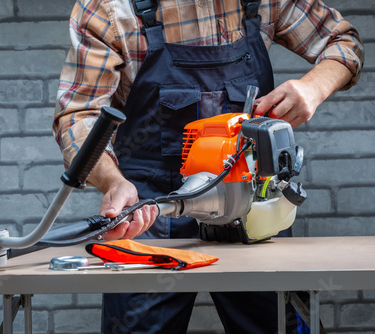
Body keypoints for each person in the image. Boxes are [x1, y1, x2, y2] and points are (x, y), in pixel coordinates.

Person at [53, 0, 364, 333]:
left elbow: (345, 43)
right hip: (151, 213)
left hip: (252, 205)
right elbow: (78, 116)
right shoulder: (111, 10)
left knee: (279, 323)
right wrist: (113, 182)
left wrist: (314, 87)